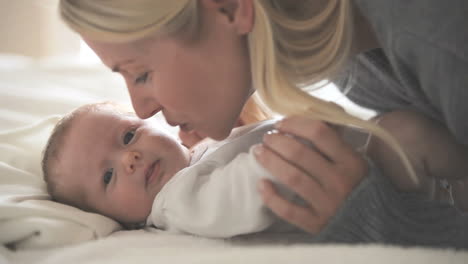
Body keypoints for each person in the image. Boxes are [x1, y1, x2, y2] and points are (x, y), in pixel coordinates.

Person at [58, 0, 468, 245]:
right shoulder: (349, 62)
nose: (141, 110)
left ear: (231, 7)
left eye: (140, 73)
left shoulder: (439, 38)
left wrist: (381, 219)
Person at [42, 101, 467, 246]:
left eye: (128, 135)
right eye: (108, 178)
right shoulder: (179, 205)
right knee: (407, 133)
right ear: (123, 219)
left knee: (416, 130)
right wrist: (292, 134)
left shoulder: (195, 159)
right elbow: (249, 190)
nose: (129, 159)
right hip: (364, 178)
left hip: (363, 166)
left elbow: (238, 145)